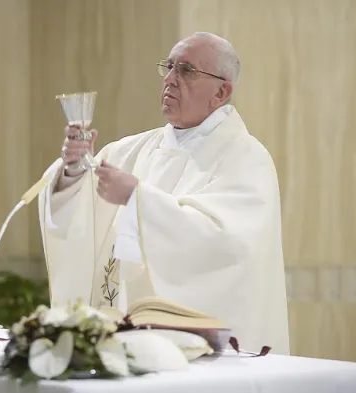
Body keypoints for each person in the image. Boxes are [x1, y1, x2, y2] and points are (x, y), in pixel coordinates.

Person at [37, 32, 290, 355]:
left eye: (186, 70)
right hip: (123, 336)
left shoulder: (246, 158)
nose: (170, 79)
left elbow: (227, 244)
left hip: (205, 353)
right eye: (168, 67)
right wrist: (72, 171)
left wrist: (136, 199)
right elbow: (75, 217)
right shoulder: (130, 150)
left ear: (221, 92)